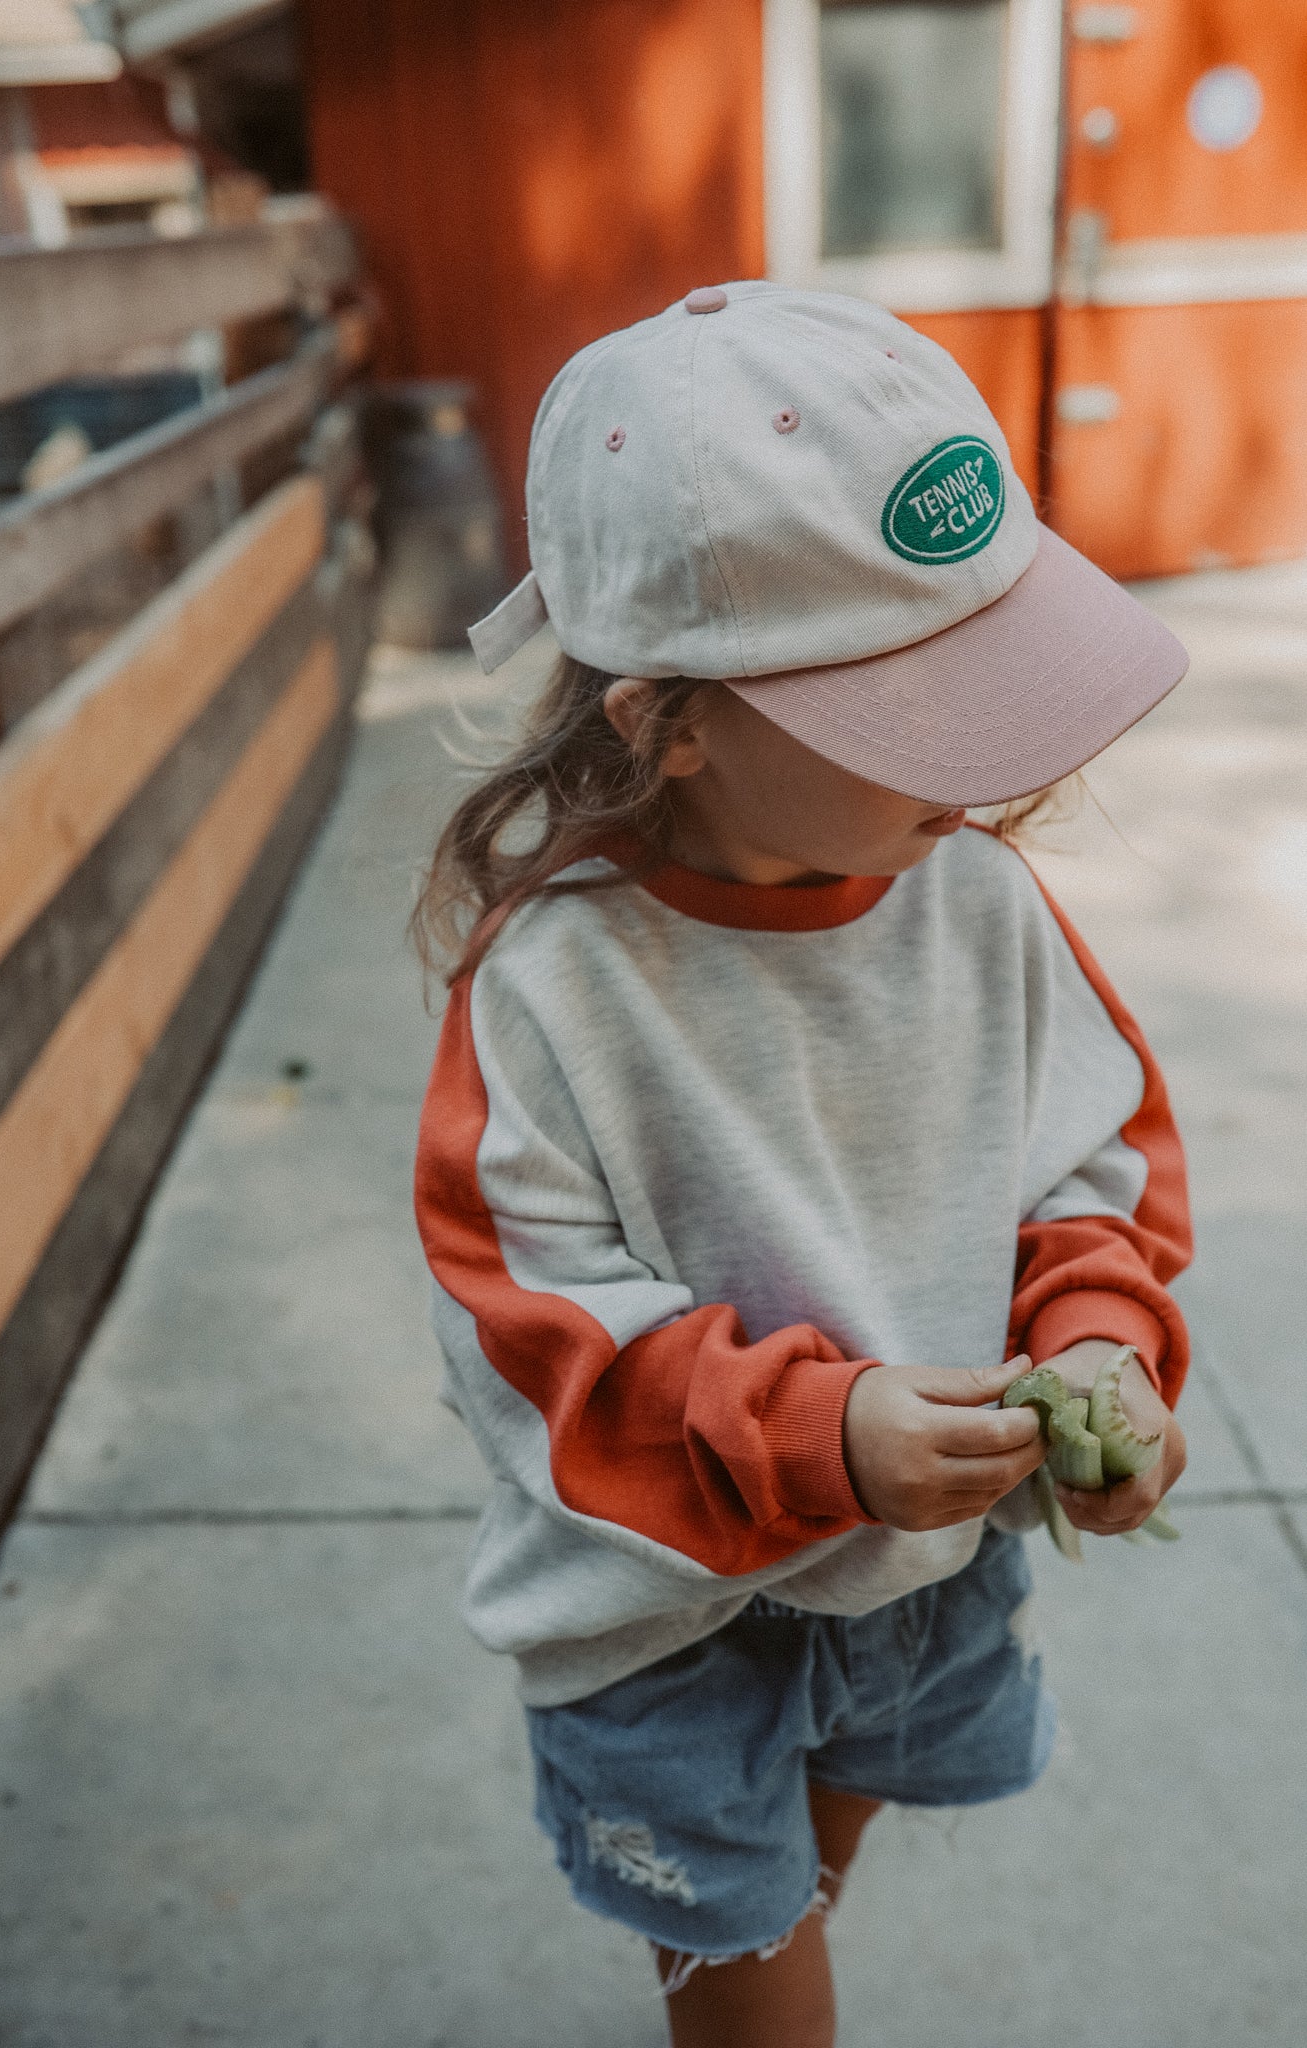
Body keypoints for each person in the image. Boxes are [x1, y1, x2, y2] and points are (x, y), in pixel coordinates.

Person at [411, 282, 1193, 2048]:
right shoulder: (558, 987)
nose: (999, 763)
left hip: (915, 1581)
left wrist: (1097, 1348)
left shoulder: (977, 905)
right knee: (758, 1977)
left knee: (801, 1888)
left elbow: (1091, 1177)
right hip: (667, 1619)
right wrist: (815, 1432)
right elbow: (528, 1335)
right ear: (663, 720)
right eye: (917, 709)